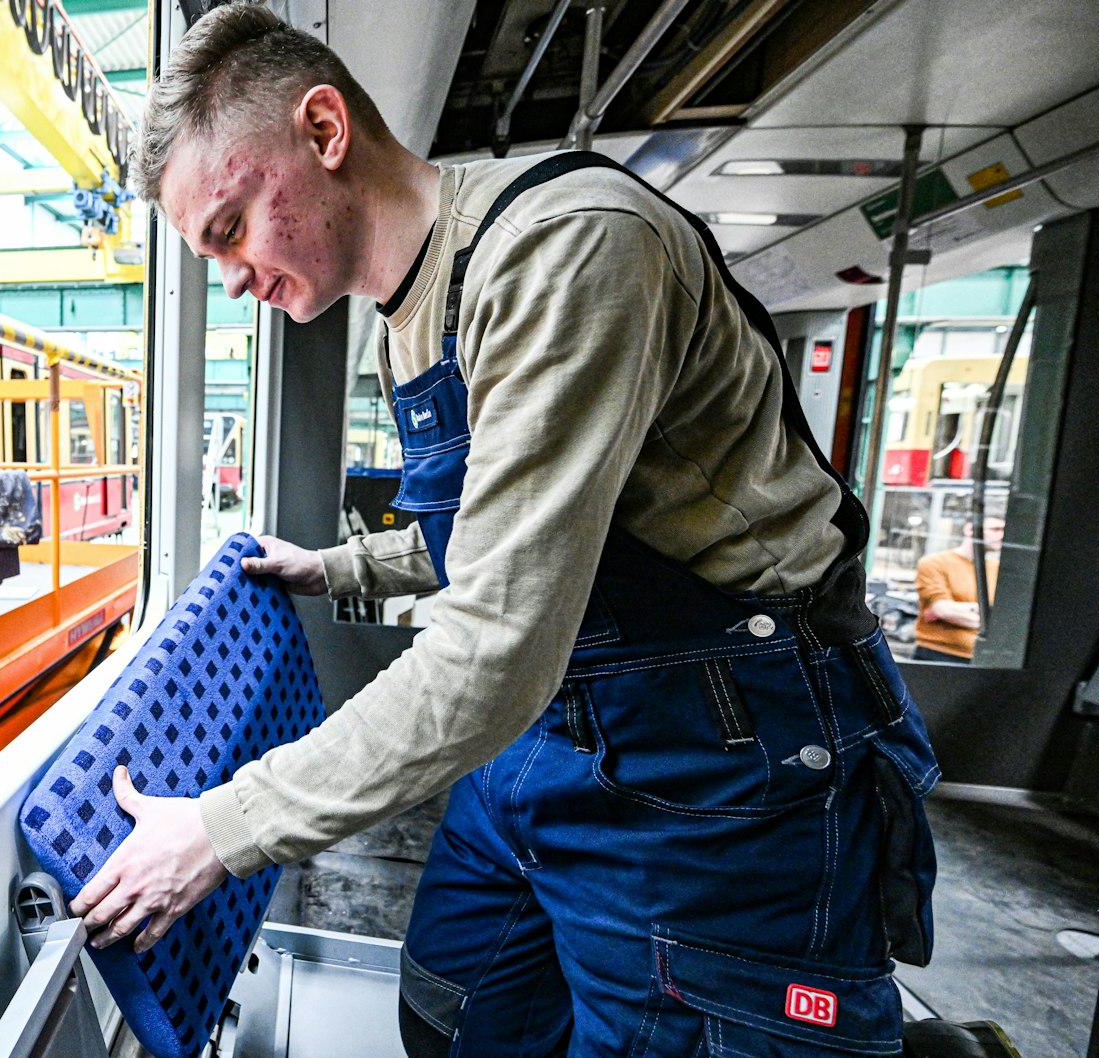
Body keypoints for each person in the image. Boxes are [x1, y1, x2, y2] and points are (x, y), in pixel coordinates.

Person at [69, 4, 940, 1055]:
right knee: (451, 1006)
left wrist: (216, 831)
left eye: (229, 228)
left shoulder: (563, 251)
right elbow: (504, 534)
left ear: (323, 131)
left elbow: (495, 642)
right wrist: (337, 564)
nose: (233, 276)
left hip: (717, 756)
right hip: (553, 726)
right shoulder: (406, 315)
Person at [912, 515, 1005, 663]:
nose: (1002, 535)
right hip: (938, 654)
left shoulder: (998, 568)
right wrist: (987, 616)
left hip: (982, 656)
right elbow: (942, 610)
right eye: (995, 529)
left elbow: (1004, 617)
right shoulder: (934, 563)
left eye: (1003, 530)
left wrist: (964, 611)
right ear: (970, 529)